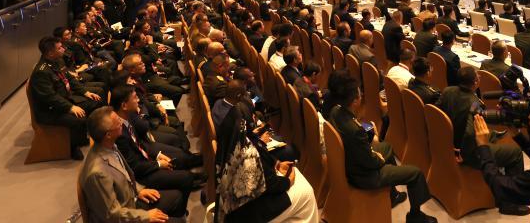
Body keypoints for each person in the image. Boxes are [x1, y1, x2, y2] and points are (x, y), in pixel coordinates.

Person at [328, 75, 436, 223]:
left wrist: (369, 135)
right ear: (354, 101)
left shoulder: (335, 111)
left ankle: (393, 194)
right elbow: (371, 161)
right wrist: (375, 143)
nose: (361, 95)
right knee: (416, 173)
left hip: (351, 162)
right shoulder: (355, 130)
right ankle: (415, 216)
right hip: (364, 175)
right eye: (359, 93)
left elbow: (354, 132)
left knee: (387, 147)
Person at [216, 87, 319, 223]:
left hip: (234, 203)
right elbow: (271, 184)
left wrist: (276, 164)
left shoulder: (229, 135)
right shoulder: (248, 153)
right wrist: (289, 180)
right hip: (247, 212)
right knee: (306, 191)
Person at [437, 67, 529, 216]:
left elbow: (438, 113)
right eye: (478, 77)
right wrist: (462, 152)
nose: (479, 78)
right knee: (516, 153)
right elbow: (469, 134)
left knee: (494, 134)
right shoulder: (474, 103)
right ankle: (509, 203)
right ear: (475, 82)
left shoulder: (448, 91)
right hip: (468, 150)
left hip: (450, 140)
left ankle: (496, 145)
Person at [79, 107, 181, 223]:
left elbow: (125, 174)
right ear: (108, 134)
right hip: (124, 215)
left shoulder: (108, 145)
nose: (121, 122)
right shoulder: (97, 173)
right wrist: (146, 216)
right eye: (117, 122)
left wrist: (137, 190)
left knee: (177, 197)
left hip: (129, 200)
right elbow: (111, 215)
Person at [110, 87, 194, 217]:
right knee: (186, 178)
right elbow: (134, 167)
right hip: (140, 175)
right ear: (124, 105)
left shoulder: (127, 116)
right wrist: (158, 164)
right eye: (135, 98)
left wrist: (158, 156)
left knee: (177, 162)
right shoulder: (118, 132)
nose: (138, 100)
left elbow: (139, 143)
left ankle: (176, 209)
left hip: (145, 160)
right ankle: (178, 214)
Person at [29, 36, 104, 160]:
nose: (63, 49)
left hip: (63, 100)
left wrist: (85, 92)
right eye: (59, 48)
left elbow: (69, 79)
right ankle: (71, 148)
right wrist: (70, 107)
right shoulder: (41, 72)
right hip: (49, 111)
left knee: (95, 101)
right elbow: (50, 97)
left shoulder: (57, 61)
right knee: (78, 118)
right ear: (50, 53)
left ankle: (86, 135)